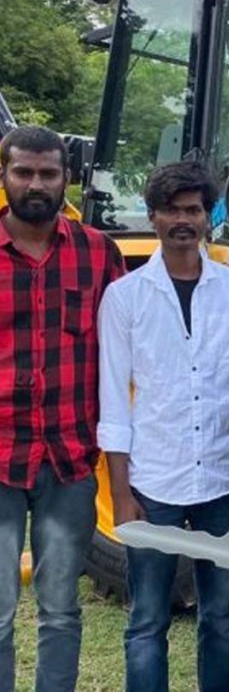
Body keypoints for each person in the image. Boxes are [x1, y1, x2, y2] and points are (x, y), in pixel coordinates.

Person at [97, 161, 229, 692]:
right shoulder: (125, 297)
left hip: (224, 480)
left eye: (193, 210)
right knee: (147, 620)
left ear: (207, 217)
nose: (182, 220)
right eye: (171, 210)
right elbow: (114, 401)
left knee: (220, 616)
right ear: (153, 216)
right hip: (155, 480)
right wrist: (121, 493)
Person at [0, 126, 125, 692]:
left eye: (48, 173)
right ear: (5, 176)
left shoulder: (97, 253)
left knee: (60, 610)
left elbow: (138, 324)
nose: (36, 184)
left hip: (68, 458)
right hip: (0, 454)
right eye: (24, 172)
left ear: (66, 179)